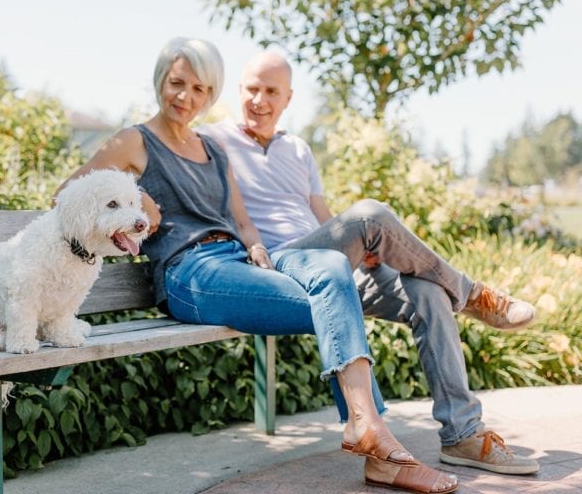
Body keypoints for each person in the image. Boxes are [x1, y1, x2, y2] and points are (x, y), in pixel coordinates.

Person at [56, 38, 457, 494]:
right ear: (160, 81)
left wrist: (259, 249)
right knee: (332, 306)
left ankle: (369, 433)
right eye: (177, 83)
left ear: (211, 94)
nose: (186, 97)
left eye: (200, 88)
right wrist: (137, 202)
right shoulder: (135, 140)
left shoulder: (213, 150)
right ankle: (377, 443)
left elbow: (243, 222)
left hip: (234, 260)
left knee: (330, 269)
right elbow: (66, 196)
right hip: (189, 274)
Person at [199, 50, 540, 475]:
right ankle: (472, 294)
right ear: (238, 90)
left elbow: (322, 217)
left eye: (271, 91)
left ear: (288, 98)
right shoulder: (213, 140)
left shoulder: (298, 149)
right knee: (370, 213)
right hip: (279, 265)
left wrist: (362, 247)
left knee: (426, 290)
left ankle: (462, 435)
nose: (259, 100)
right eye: (252, 89)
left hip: (330, 263)